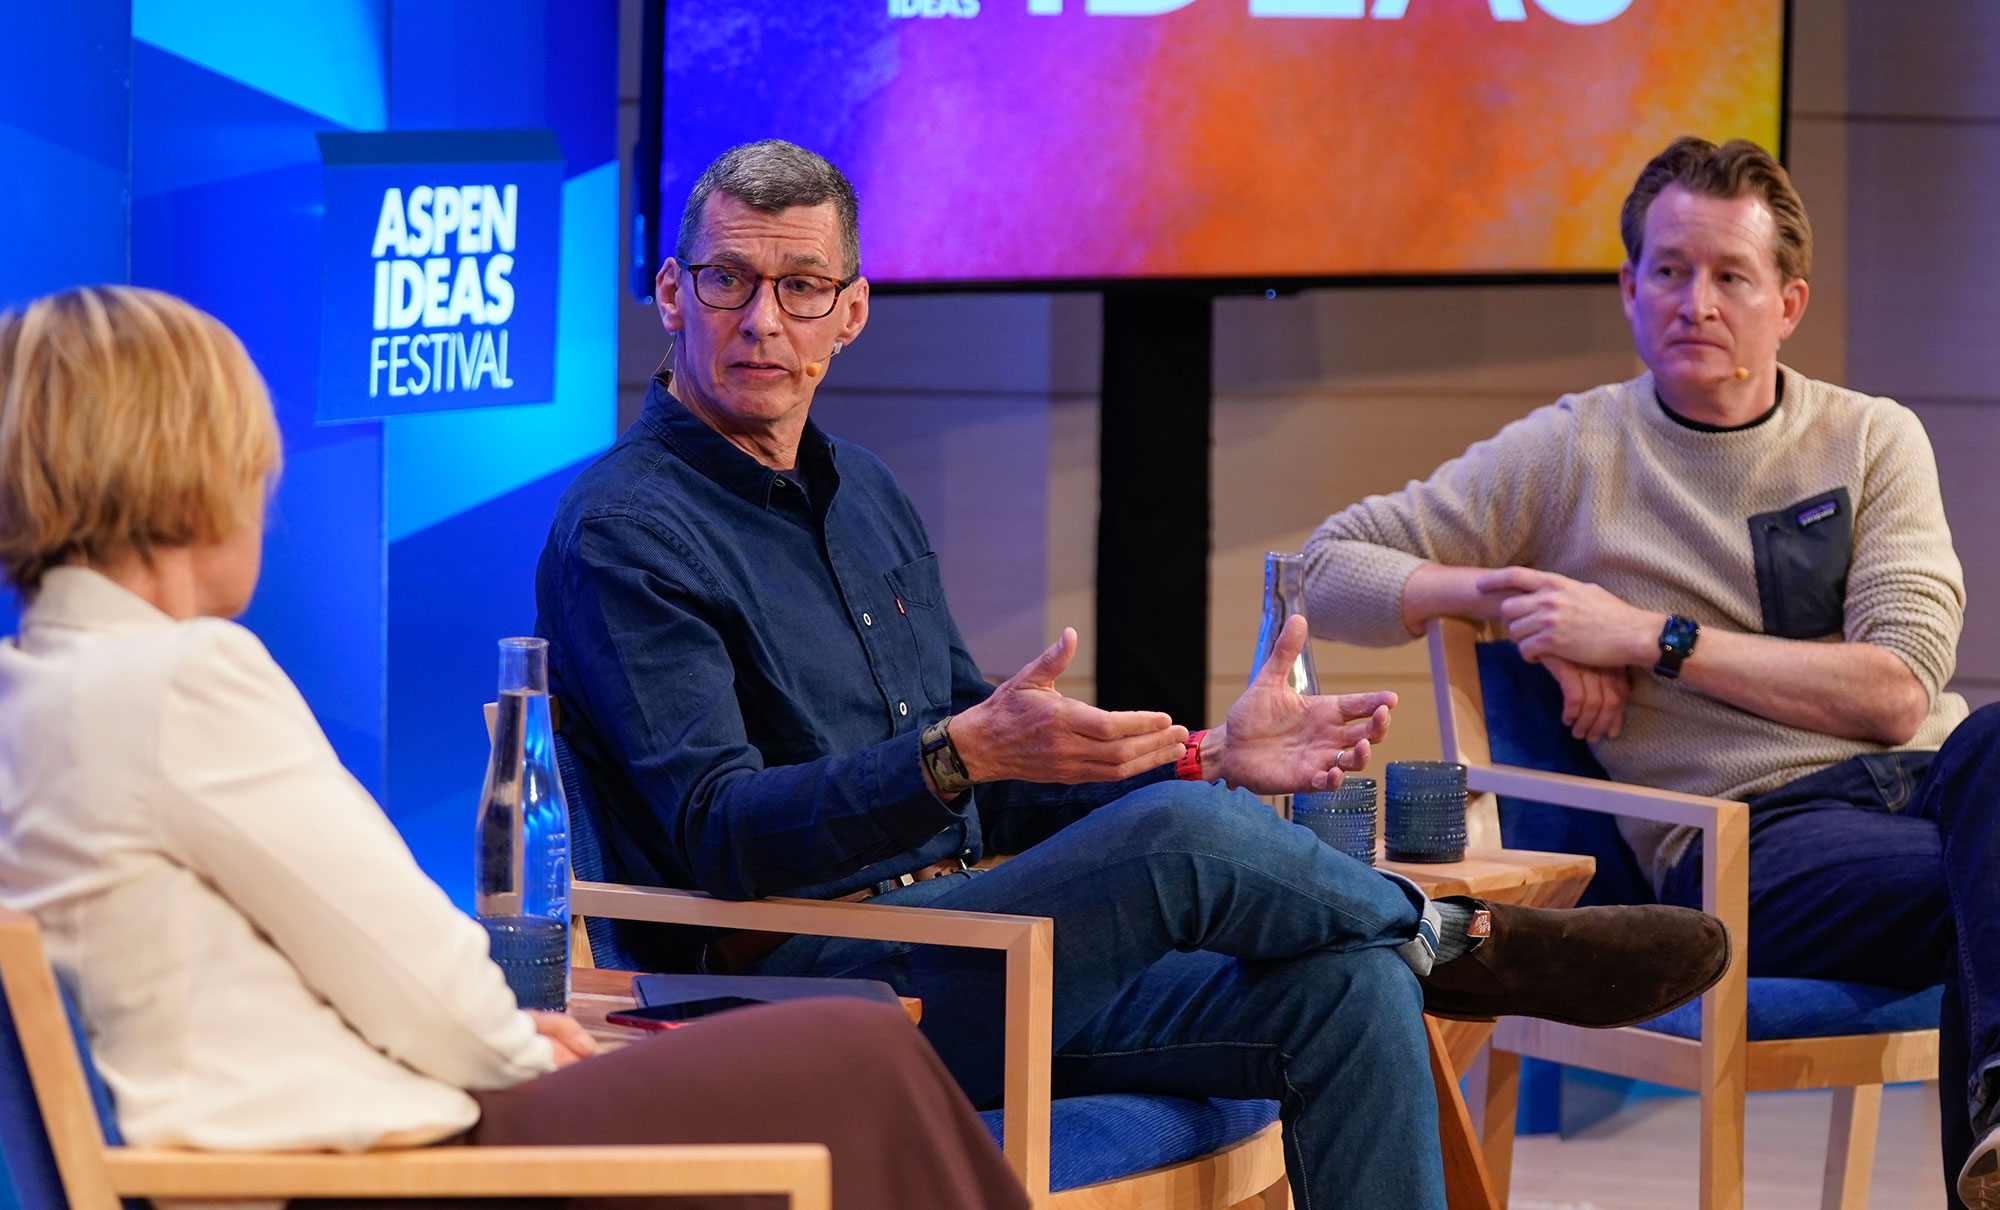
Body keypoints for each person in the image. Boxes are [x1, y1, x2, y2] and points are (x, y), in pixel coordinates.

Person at [534, 139, 1730, 1210]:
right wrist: (957, 757)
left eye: (799, 288)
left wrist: (1212, 753)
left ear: (850, 313)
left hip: (977, 946)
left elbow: (993, 780)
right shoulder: (626, 527)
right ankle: (1461, 938)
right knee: (1180, 836)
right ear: (666, 296)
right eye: (725, 280)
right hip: (793, 990)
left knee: (1351, 985)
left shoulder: (869, 495)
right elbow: (711, 835)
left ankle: (1409, 940)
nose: (759, 320)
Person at [0, 285, 1030, 1210]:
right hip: (359, 1171)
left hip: (262, 1156)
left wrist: (484, 1037)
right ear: (192, 476)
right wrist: (501, 1041)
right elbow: (400, 956)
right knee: (852, 1044)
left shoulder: (36, 688)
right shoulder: (182, 680)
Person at [1302, 135, 2000, 1209]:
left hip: (1935, 784)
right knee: (1981, 893)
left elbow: (1898, 689)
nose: (1695, 301)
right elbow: (1319, 566)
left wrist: (1645, 638)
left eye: (1730, 276)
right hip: (1753, 836)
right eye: (1667, 271)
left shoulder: (1869, 438)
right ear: (1628, 288)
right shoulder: (1570, 451)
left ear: (1787, 302)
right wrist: (1507, 596)